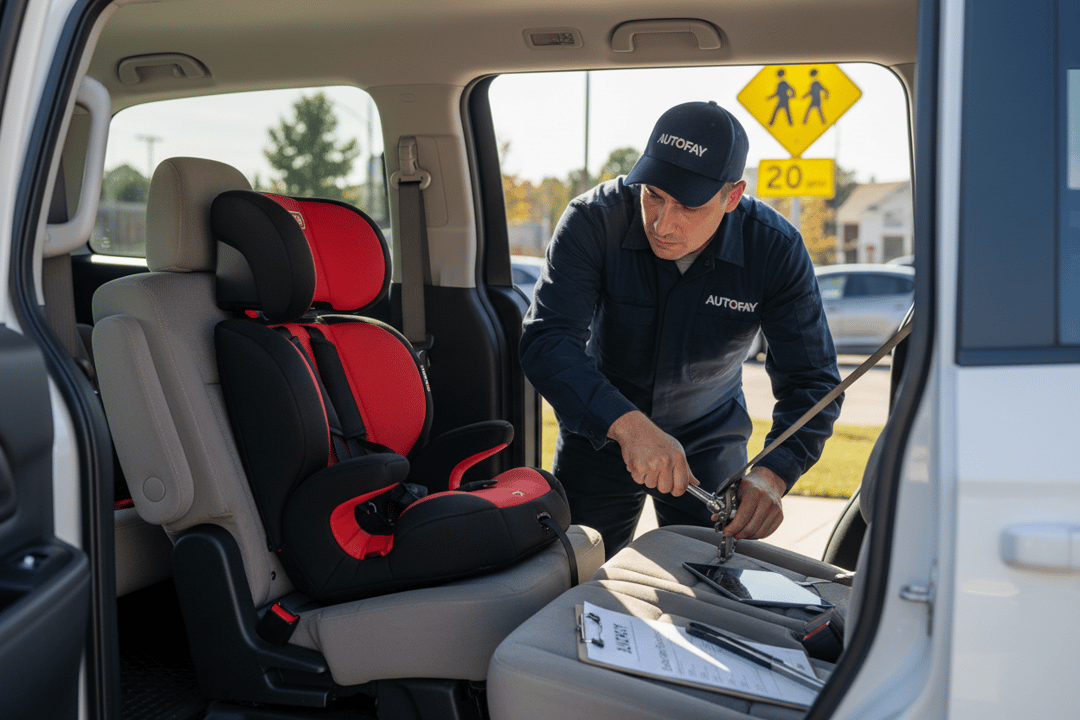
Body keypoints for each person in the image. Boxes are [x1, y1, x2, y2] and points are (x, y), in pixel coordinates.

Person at [519, 101, 842, 559]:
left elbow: (814, 381)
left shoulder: (775, 249)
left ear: (732, 197)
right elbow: (547, 342)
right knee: (575, 575)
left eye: (688, 206)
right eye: (653, 194)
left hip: (710, 439)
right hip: (602, 429)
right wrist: (628, 427)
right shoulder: (593, 220)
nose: (662, 223)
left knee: (711, 580)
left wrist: (775, 472)